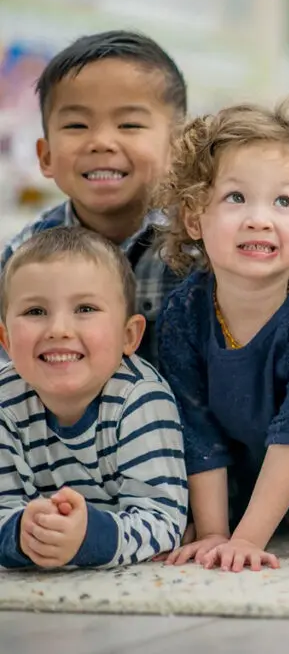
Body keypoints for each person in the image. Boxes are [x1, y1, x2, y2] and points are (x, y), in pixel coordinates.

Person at [156, 97, 289, 571]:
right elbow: (195, 428)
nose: (259, 218)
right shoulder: (183, 310)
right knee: (178, 526)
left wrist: (246, 540)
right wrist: (214, 533)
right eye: (236, 198)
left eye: (283, 201)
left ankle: (282, 517)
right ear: (193, 218)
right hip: (237, 477)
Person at [0, 226, 186, 568]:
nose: (59, 329)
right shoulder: (5, 402)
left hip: (107, 531)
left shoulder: (140, 398)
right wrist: (22, 535)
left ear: (129, 336)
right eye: (35, 312)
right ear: (6, 340)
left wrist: (86, 538)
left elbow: (164, 521)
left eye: (85, 309)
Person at [1, 30, 188, 365]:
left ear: (177, 149)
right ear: (45, 156)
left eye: (129, 125)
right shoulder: (23, 257)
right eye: (76, 125)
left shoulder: (199, 248)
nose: (101, 141)